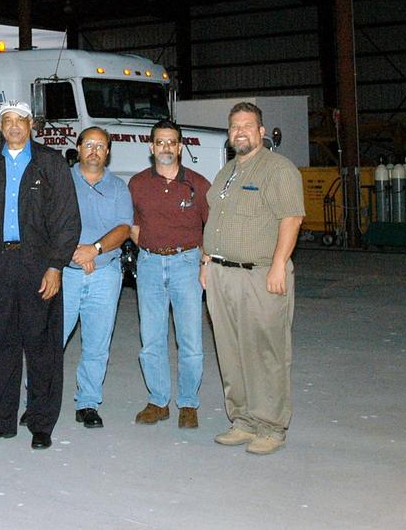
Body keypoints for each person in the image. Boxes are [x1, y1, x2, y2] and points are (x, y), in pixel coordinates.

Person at [0, 101, 80, 450]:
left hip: (38, 264)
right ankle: (0, 421)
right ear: (1, 127)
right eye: (7, 122)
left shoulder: (50, 164)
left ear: (32, 124)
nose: (14, 127)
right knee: (0, 345)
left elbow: (67, 219)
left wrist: (56, 265)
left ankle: (41, 422)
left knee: (42, 346)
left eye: (20, 121)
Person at [202, 102, 304, 456]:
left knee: (266, 352)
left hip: (260, 275)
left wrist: (279, 265)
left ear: (261, 132)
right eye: (234, 126)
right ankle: (243, 420)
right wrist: (206, 260)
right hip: (221, 274)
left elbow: (291, 219)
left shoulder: (278, 169)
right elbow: (216, 219)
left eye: (248, 125)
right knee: (230, 351)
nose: (240, 131)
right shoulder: (227, 171)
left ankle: (271, 426)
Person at [128, 119, 212, 429]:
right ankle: (158, 401)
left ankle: (188, 403)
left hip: (187, 265)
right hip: (149, 264)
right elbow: (133, 226)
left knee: (189, 339)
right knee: (151, 338)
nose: (166, 147)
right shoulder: (137, 184)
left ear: (180, 147)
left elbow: (211, 228)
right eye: (160, 142)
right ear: (151, 148)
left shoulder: (198, 184)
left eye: (171, 142)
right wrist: (152, 250)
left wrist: (204, 263)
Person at [63, 127, 133, 429]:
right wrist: (73, 254)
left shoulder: (118, 187)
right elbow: (43, 222)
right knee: (50, 340)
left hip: (104, 273)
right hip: (63, 273)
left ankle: (88, 403)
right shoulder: (61, 181)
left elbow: (124, 228)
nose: (94, 150)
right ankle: (38, 401)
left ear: (107, 152)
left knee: (97, 344)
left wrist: (95, 249)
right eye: (88, 144)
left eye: (100, 146)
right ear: (78, 148)